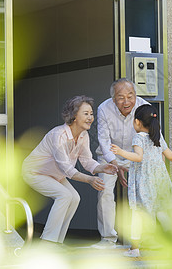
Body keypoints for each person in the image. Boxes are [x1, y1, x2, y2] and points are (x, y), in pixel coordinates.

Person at [22, 95, 118, 245]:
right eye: (85, 113)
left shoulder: (83, 135)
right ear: (74, 116)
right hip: (35, 172)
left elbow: (86, 160)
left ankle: (57, 242)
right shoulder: (58, 135)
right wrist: (89, 179)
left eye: (91, 114)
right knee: (65, 196)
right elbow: (66, 168)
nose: (90, 117)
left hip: (55, 175)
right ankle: (48, 242)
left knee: (75, 197)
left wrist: (102, 168)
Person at [110, 104, 172, 257]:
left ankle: (134, 249)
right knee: (161, 212)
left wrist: (120, 152)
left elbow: (138, 157)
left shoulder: (138, 138)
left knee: (138, 213)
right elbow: (171, 156)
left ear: (136, 122)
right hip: (159, 181)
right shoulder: (157, 136)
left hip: (144, 181)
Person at [92, 78, 149, 249]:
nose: (126, 102)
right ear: (113, 99)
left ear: (136, 95)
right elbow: (103, 140)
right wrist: (115, 164)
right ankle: (108, 239)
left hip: (136, 154)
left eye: (130, 96)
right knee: (105, 193)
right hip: (108, 156)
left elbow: (150, 139)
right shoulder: (104, 108)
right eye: (121, 97)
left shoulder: (144, 107)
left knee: (145, 193)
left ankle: (144, 238)